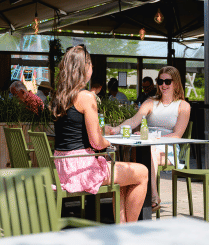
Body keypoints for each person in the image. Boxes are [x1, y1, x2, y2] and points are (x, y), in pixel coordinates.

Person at [50, 45, 148, 223]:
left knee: (125, 175)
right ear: (84, 67)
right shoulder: (86, 97)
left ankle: (122, 225)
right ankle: (131, 228)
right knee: (142, 172)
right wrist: (108, 143)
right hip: (82, 169)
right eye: (91, 65)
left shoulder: (59, 97)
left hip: (63, 168)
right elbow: (96, 142)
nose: (92, 69)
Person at [107, 66, 191, 212]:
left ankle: (152, 195)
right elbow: (134, 120)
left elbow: (177, 135)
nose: (163, 85)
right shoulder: (151, 102)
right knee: (135, 153)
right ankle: (133, 202)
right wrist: (116, 129)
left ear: (176, 83)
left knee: (147, 151)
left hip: (168, 149)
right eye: (160, 81)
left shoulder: (183, 106)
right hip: (146, 145)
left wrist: (152, 137)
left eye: (167, 81)